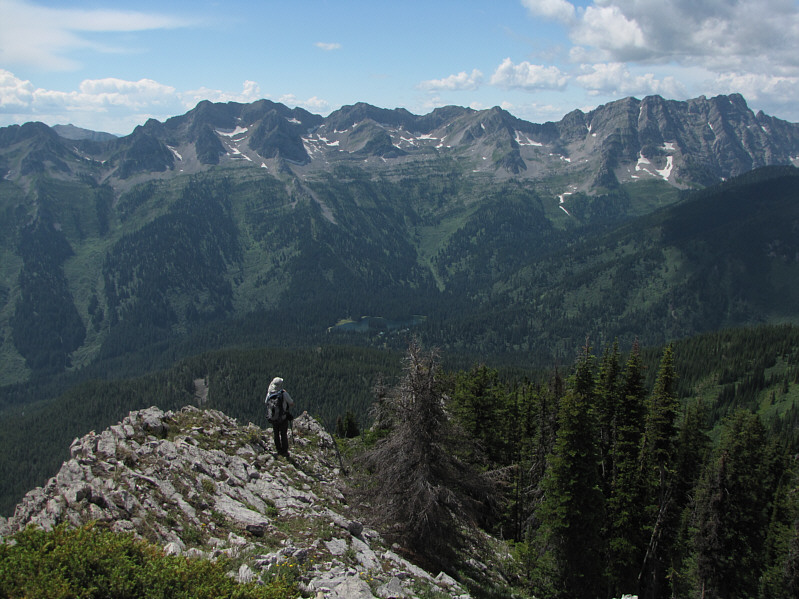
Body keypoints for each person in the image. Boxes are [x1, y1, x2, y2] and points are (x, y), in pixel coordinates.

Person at [266, 376, 294, 456]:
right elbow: (291, 403)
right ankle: (284, 451)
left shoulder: (269, 393)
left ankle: (278, 450)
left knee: (276, 434)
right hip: (283, 417)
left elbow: (266, 402)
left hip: (273, 417)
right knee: (283, 434)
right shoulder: (283, 393)